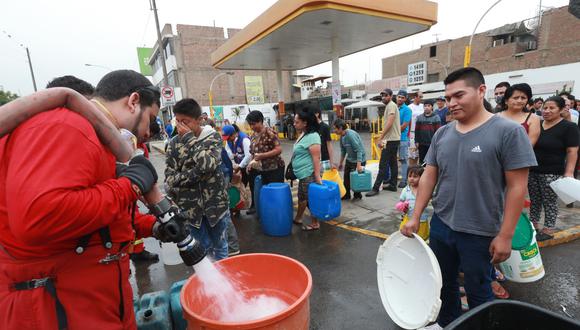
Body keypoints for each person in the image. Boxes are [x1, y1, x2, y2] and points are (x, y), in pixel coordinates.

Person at [0, 70, 164, 329]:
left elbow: (97, 215)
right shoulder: (64, 125)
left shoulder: (95, 136)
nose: (148, 133)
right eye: (151, 120)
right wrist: (131, 185)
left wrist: (153, 226)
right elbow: (41, 216)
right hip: (58, 306)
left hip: (89, 299)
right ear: (133, 101)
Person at [402, 67, 537, 329]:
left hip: (480, 231)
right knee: (443, 284)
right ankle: (449, 324)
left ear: (481, 91)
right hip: (443, 224)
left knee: (479, 292)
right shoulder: (443, 133)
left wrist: (505, 235)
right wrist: (415, 216)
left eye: (459, 95)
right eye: (448, 97)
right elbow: (429, 175)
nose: (452, 103)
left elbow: (517, 187)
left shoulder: (508, 132)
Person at [165, 98, 231, 261]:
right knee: (202, 250)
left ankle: (226, 284)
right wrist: (197, 173)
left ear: (199, 119)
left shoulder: (213, 137)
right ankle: (208, 285)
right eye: (178, 121)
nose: (180, 127)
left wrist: (189, 139)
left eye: (185, 122)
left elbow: (208, 165)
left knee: (221, 247)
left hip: (216, 206)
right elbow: (170, 179)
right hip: (190, 210)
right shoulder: (173, 144)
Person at [528, 96, 579, 241]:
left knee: (549, 201)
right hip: (533, 170)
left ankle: (548, 229)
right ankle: (534, 226)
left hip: (552, 172)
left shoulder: (569, 127)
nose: (547, 111)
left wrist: (569, 172)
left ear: (561, 110)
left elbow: (572, 151)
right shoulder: (538, 124)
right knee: (535, 200)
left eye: (552, 108)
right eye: (545, 107)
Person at [245, 110, 285, 214]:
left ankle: (277, 213)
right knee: (260, 190)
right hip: (260, 168)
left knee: (274, 192)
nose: (252, 127)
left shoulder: (269, 132)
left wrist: (263, 155)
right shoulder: (253, 135)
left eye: (254, 124)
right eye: (250, 124)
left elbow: (278, 149)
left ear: (260, 121)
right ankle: (261, 209)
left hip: (274, 168)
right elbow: (252, 152)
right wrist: (250, 163)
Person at [291, 110, 323, 231]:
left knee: (311, 200)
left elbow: (316, 158)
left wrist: (317, 177)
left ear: (305, 123)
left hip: (309, 174)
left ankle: (315, 223)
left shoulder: (313, 136)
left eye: (297, 122)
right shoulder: (304, 134)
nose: (294, 124)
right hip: (303, 175)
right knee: (302, 197)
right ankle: (298, 218)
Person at [367, 88, 400, 197]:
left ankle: (375, 188)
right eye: (382, 95)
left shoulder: (391, 105)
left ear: (391, 96)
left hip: (390, 139)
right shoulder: (390, 106)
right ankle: (393, 184)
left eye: (385, 95)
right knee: (392, 162)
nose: (383, 97)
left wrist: (381, 137)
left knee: (383, 163)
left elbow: (390, 122)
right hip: (393, 139)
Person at [335, 119, 367, 200]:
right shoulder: (342, 137)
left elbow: (359, 150)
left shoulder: (350, 135)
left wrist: (359, 165)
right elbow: (343, 151)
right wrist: (341, 163)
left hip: (359, 159)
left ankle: (357, 195)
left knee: (355, 179)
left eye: (335, 128)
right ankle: (347, 195)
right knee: (346, 179)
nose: (334, 130)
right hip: (350, 159)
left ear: (341, 128)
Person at [397, 166, 431, 240]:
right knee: (407, 238)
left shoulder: (425, 190)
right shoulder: (405, 190)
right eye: (410, 176)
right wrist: (403, 207)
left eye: (415, 176)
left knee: (420, 240)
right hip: (408, 219)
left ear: (422, 178)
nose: (412, 178)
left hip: (422, 220)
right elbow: (401, 203)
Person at [414, 99, 442, 164]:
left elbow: (438, 132)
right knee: (422, 161)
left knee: (431, 161)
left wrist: (437, 143)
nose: (426, 107)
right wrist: (416, 141)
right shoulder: (419, 117)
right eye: (425, 106)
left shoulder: (436, 117)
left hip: (432, 144)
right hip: (421, 144)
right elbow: (417, 130)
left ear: (432, 107)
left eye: (428, 106)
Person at [397, 90, 412, 188]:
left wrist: (393, 132)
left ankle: (404, 180)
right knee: (392, 160)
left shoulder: (407, 110)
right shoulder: (394, 108)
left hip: (402, 138)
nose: (400, 99)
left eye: (402, 97)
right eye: (399, 97)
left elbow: (404, 125)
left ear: (405, 99)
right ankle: (393, 178)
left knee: (403, 159)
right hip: (393, 138)